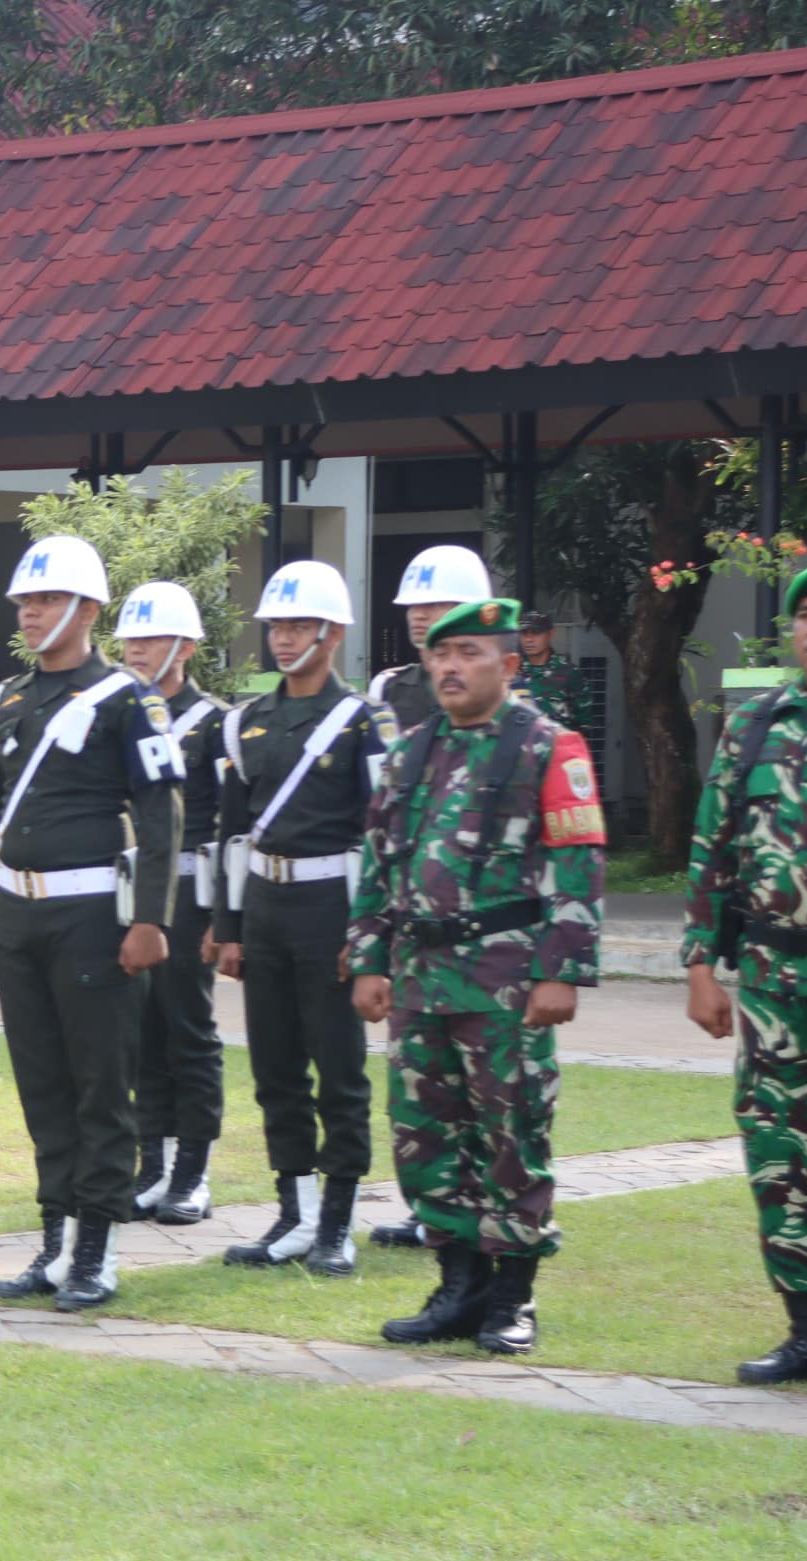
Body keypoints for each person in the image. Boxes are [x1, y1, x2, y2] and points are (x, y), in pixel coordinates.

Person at [350, 598, 604, 1355]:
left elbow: (578, 861)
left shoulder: (548, 747)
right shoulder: (411, 751)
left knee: (512, 1132)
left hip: (505, 978)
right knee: (424, 1137)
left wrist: (563, 971)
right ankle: (456, 1286)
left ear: (510, 665)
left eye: (469, 653)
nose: (449, 667)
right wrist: (367, 956)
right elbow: (377, 862)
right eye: (440, 653)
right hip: (420, 975)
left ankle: (512, 1297)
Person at [0, 536, 182, 1310]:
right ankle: (55, 1239)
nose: (29, 612)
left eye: (46, 600)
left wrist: (151, 919)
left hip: (93, 914)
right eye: (23, 601)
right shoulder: (8, 699)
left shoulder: (128, 699)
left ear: (88, 609)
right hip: (18, 912)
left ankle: (98, 1247)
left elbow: (161, 816)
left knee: (100, 1083)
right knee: (42, 1083)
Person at [684, 556, 807, 1398]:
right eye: (806, 616)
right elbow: (713, 848)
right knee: (779, 1147)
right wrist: (700, 963)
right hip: (770, 975)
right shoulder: (757, 724)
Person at [214, 560, 397, 1278]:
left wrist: (370, 933)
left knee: (339, 1067)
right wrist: (227, 928)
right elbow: (233, 834)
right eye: (276, 626)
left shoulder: (363, 720)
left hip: (333, 906)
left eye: (297, 625)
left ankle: (338, 1221)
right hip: (265, 904)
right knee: (275, 1066)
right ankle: (292, 1212)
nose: (284, 639)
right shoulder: (248, 722)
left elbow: (384, 833)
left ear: (333, 631)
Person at [362, 543, 495, 1248]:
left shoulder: (510, 705)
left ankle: (488, 1225)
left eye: (437, 606)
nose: (423, 618)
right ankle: (432, 1213)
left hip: (484, 923)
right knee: (422, 1088)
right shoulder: (388, 690)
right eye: (415, 606)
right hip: (411, 903)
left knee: (489, 1095)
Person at [115, 581, 226, 1225]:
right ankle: (149, 1164)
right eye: (130, 637)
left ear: (184, 646)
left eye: (151, 637)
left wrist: (218, 916)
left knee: (188, 1030)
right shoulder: (121, 712)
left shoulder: (213, 722)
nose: (136, 648)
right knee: (137, 1034)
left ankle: (193, 1171)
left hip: (190, 889)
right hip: (129, 887)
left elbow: (227, 819)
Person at [367, 544, 492, 738]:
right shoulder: (388, 686)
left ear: (468, 610)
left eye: (433, 604)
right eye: (412, 605)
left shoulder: (499, 685)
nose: (418, 614)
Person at [515, 612, 590, 734]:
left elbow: (584, 722)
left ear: (551, 634)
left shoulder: (569, 673)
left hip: (559, 748)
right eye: (524, 633)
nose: (529, 639)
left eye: (536, 633)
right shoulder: (513, 673)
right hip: (522, 749)